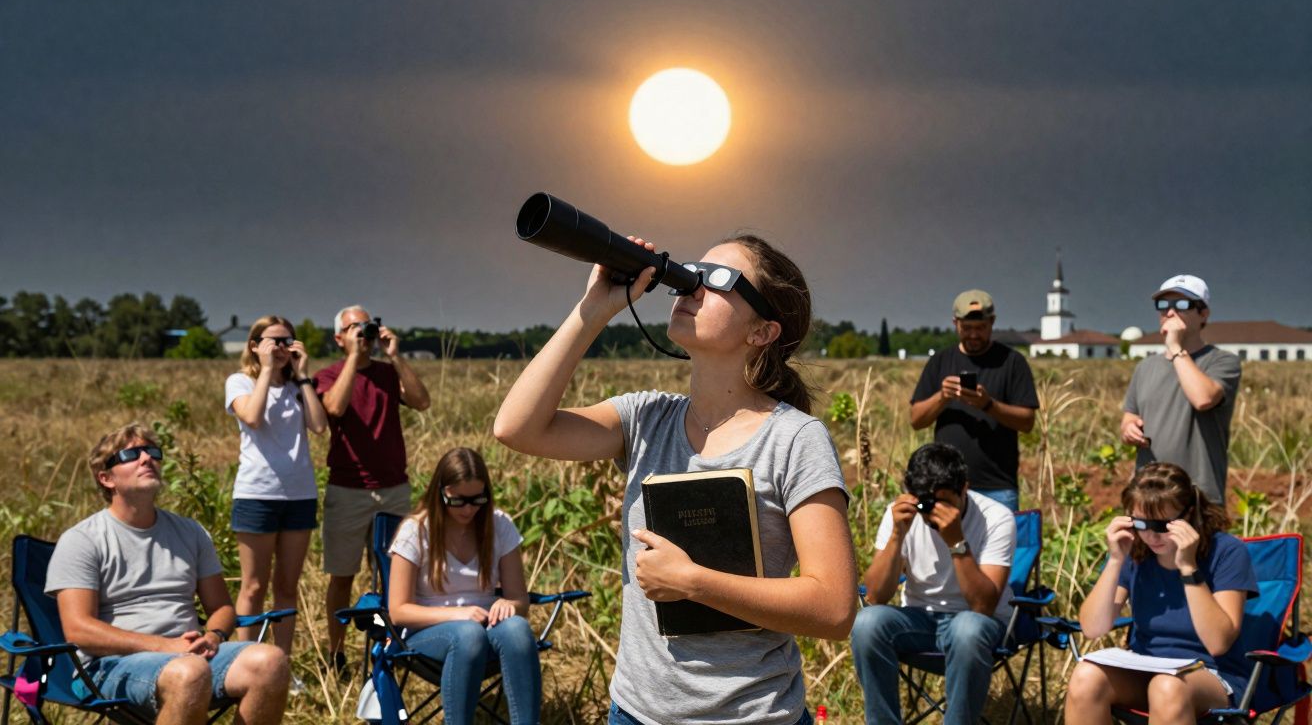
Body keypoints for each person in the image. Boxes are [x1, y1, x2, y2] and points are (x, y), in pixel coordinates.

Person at [494, 234, 856, 725]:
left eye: (719, 279)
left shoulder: (795, 439)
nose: (693, 285)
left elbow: (833, 607)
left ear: (762, 332)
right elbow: (517, 428)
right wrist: (595, 308)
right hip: (637, 711)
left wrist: (694, 583)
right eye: (692, 272)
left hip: (752, 716)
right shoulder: (646, 419)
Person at [46, 424, 290, 725]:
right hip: (110, 666)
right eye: (131, 454)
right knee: (190, 673)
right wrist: (165, 646)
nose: (147, 458)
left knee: (271, 662)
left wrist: (213, 636)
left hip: (191, 657)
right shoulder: (83, 539)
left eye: (152, 452)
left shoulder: (190, 532)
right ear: (106, 478)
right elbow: (79, 630)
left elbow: (222, 608)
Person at [1064, 462, 1257, 723]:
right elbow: (1092, 628)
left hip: (1211, 674)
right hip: (1145, 666)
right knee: (1085, 677)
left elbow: (1218, 642)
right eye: (1141, 524)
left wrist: (1188, 567)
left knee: (1166, 687)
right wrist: (1115, 561)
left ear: (1188, 514)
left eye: (1162, 525)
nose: (1152, 535)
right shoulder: (1136, 553)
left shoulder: (1226, 552)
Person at [850, 442, 1017, 725]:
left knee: (968, 628)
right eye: (927, 502)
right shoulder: (900, 513)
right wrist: (896, 537)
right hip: (920, 620)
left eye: (946, 502)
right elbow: (876, 595)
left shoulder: (996, 518)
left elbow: (983, 605)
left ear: (965, 488)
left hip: (978, 625)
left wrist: (956, 542)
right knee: (867, 622)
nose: (933, 512)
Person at [315, 304, 431, 671]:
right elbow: (334, 407)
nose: (363, 334)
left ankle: (387, 649)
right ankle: (336, 653)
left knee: (390, 574)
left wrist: (395, 356)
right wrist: (353, 357)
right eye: (354, 328)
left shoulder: (385, 372)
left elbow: (421, 401)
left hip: (393, 487)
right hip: (347, 488)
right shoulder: (328, 374)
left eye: (367, 327)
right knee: (342, 574)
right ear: (339, 338)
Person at [387, 447, 539, 725]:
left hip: (486, 626)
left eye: (477, 499)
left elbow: (521, 601)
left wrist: (510, 604)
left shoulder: (499, 524)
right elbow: (398, 611)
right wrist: (458, 614)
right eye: (458, 501)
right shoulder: (416, 530)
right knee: (469, 635)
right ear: (440, 492)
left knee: (518, 628)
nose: (469, 509)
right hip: (428, 632)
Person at [225, 316, 327, 676]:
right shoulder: (240, 382)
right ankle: (240, 664)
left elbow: (319, 425)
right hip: (257, 494)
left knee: (287, 586)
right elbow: (252, 417)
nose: (282, 348)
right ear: (254, 345)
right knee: (253, 585)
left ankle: (281, 666)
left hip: (299, 495)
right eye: (274, 342)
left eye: (288, 341)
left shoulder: (300, 386)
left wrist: (302, 376)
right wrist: (266, 371)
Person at [909, 290, 1038, 511]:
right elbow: (916, 420)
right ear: (955, 323)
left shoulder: (1012, 362)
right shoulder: (939, 361)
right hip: (945, 484)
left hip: (997, 486)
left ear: (992, 322)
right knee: (947, 545)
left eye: (980, 328)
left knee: (998, 545)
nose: (974, 335)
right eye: (967, 328)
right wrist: (942, 396)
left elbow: (1027, 422)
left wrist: (988, 405)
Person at [1122, 275, 1241, 504]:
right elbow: (1130, 416)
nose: (1170, 312)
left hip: (1198, 496)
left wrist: (1175, 348)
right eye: (1163, 305)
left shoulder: (1222, 362)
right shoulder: (1145, 367)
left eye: (1182, 305)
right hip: (1149, 495)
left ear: (1203, 314)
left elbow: (1203, 399)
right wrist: (1128, 429)